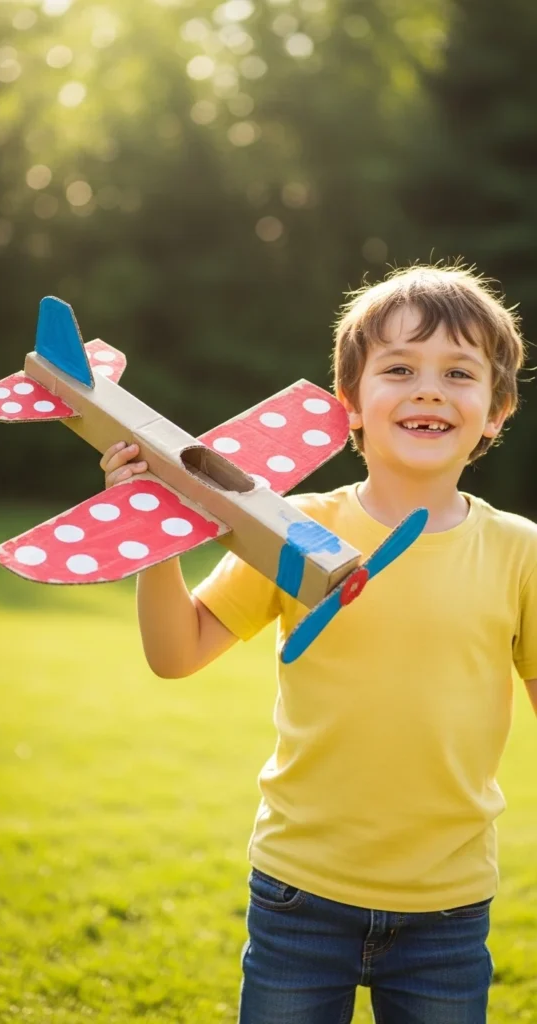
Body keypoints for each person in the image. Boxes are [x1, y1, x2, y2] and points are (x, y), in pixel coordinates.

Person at [100, 264, 537, 1024]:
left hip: (448, 905)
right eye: (398, 368)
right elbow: (176, 653)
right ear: (349, 407)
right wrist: (151, 529)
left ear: (495, 410)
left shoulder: (519, 552)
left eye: (457, 373)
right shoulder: (289, 524)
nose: (428, 389)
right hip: (298, 892)